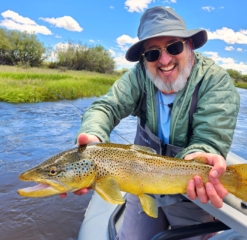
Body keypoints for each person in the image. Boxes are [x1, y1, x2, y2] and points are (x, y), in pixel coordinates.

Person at [61, 6, 240, 240]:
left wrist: (200, 154)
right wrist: (92, 138)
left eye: (173, 47)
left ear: (190, 46)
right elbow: (106, 107)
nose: (164, 60)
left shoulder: (215, 81)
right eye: (153, 53)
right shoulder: (138, 75)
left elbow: (209, 138)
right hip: (140, 182)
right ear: (144, 57)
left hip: (190, 193)